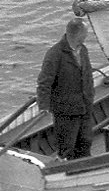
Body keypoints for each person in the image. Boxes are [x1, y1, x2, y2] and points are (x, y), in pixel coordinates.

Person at [37, 17, 96, 160]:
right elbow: (44, 82)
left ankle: (85, 168)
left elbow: (87, 75)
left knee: (85, 142)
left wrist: (90, 94)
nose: (87, 35)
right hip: (66, 111)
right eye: (86, 32)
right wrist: (44, 106)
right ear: (79, 33)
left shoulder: (83, 51)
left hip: (84, 106)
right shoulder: (55, 54)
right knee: (67, 146)